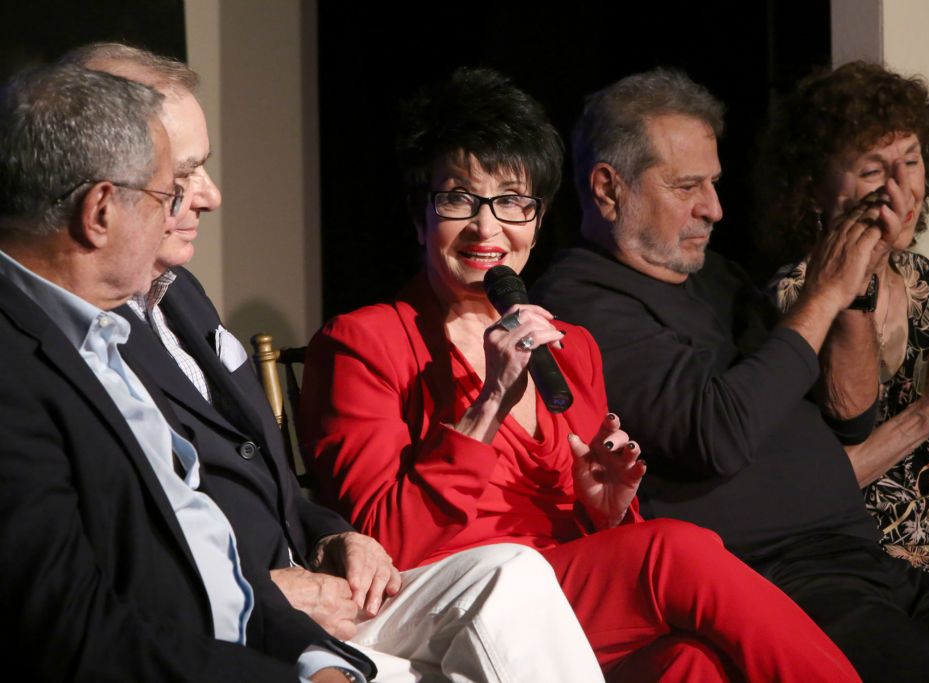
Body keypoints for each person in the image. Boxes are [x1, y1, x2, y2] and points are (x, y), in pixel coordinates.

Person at [300, 66, 862, 683]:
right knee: (676, 552)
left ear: (537, 221)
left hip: (565, 607)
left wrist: (606, 509)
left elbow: (594, 535)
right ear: (419, 217)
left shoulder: (572, 347)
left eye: (514, 202)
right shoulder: (362, 343)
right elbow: (387, 539)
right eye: (458, 199)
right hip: (458, 594)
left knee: (690, 664)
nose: (489, 228)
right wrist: (487, 406)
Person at [66, 42, 606, 682]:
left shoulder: (180, 299)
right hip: (257, 616)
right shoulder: (61, 341)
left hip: (339, 593)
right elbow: (93, 569)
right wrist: (269, 599)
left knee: (680, 651)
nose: (209, 195)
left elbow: (268, 486)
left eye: (513, 201)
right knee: (621, 563)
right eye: (182, 176)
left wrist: (330, 537)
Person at [531, 67, 929, 682]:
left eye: (713, 183)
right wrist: (822, 294)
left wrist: (854, 291)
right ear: (609, 189)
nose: (713, 208)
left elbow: (849, 416)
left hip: (863, 559)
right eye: (687, 186)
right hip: (779, 578)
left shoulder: (717, 278)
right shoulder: (582, 303)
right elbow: (717, 433)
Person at [0, 62, 370, 682]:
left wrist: (316, 661)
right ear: (100, 212)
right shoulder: (19, 368)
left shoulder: (104, 330)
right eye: (166, 194)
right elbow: (69, 629)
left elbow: (209, 556)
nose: (192, 206)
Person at [762, 61, 929, 623]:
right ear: (815, 184)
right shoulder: (795, 301)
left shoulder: (926, 284)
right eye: (873, 169)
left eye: (911, 160)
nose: (902, 189)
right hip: (851, 569)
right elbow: (811, 495)